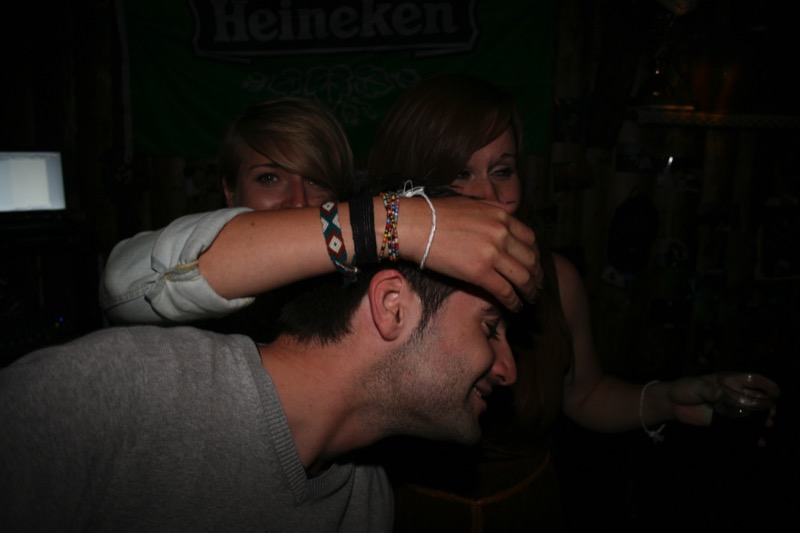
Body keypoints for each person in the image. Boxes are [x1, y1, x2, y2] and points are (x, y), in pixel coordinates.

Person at [365, 73, 745, 531]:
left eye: (502, 171)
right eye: (460, 173)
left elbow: (585, 393)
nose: (490, 196)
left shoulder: (556, 280)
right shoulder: (379, 292)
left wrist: (667, 399)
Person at [1, 246, 518, 531]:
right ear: (392, 307)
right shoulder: (125, 390)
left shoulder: (366, 505)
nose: (508, 370)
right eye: (490, 328)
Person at [99, 97, 542, 335]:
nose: (298, 201)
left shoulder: (367, 286)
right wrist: (401, 223)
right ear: (230, 190)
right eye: (270, 178)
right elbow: (123, 284)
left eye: (316, 180)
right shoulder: (199, 301)